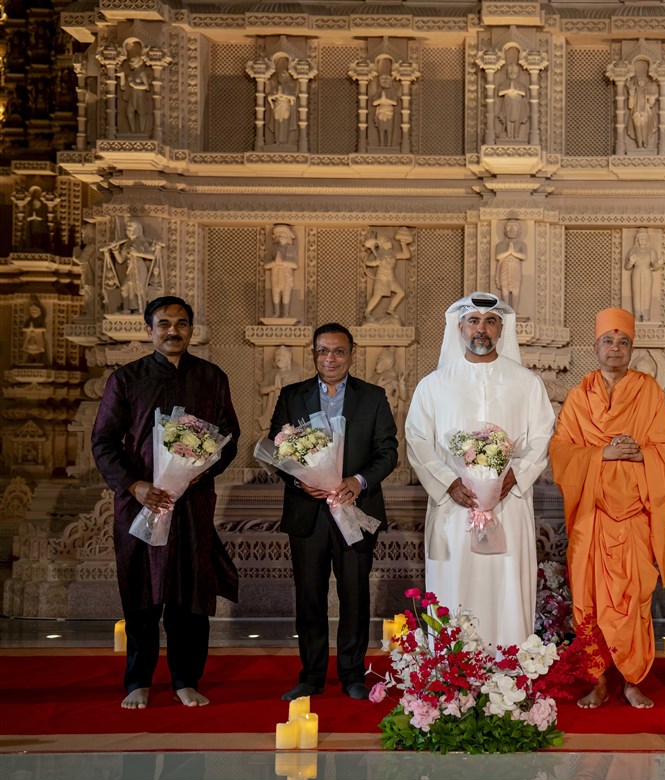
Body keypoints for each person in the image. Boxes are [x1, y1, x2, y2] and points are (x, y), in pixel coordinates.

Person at [91, 295, 241, 709]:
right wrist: (134, 485)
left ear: (191, 329)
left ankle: (185, 680)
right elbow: (103, 442)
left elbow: (228, 437)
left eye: (181, 323)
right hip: (141, 502)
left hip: (192, 503)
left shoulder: (211, 377)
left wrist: (199, 471)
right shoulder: (126, 379)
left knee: (190, 593)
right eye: (164, 324)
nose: (173, 331)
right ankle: (138, 680)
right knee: (140, 591)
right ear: (149, 330)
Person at [405, 292, 554, 646]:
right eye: (473, 321)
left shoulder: (527, 383)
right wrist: (449, 483)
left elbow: (542, 435)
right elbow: (418, 440)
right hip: (454, 507)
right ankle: (453, 668)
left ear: (502, 329)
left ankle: (510, 666)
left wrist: (515, 475)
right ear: (460, 328)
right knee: (455, 584)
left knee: (507, 586)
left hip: (509, 504)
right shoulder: (434, 385)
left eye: (490, 322)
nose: (481, 329)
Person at [549, 308, 665, 709]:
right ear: (596, 346)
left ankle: (633, 680)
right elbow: (560, 450)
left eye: (623, 342)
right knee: (588, 600)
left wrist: (639, 454)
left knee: (634, 599)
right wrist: (602, 453)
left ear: (632, 348)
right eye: (608, 341)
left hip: (634, 515)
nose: (616, 348)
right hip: (592, 516)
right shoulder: (579, 396)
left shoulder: (648, 391)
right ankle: (598, 680)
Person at [272, 323, 398, 701]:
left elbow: (388, 452)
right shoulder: (291, 395)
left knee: (355, 595)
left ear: (352, 355)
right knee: (309, 597)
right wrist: (300, 481)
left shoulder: (373, 397)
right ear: (313, 354)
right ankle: (311, 675)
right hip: (307, 513)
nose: (331, 358)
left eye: (339, 351)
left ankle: (352, 674)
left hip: (354, 509)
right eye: (323, 351)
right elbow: (277, 449)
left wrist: (358, 481)